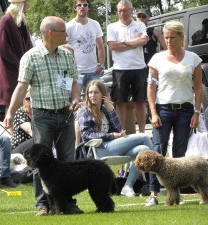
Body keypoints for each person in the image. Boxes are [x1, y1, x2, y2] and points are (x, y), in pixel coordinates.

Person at [4, 16, 81, 216]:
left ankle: (68, 203)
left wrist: (75, 99)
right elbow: (21, 87)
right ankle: (42, 205)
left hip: (65, 114)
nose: (67, 34)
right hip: (42, 117)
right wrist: (10, 113)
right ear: (50, 33)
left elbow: (73, 82)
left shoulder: (67, 55)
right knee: (40, 162)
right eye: (63, 31)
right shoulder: (30, 57)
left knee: (67, 162)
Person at [146, 20, 203, 206]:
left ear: (181, 37)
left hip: (185, 110)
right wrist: (153, 112)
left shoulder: (194, 58)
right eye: (166, 37)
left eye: (172, 37)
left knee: (180, 153)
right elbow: (150, 88)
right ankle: (153, 194)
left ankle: (176, 195)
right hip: (163, 109)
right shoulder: (156, 59)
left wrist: (196, 112)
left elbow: (198, 88)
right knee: (157, 151)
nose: (168, 41)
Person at [78, 80, 153, 197]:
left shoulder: (105, 110)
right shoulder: (84, 112)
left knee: (143, 149)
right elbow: (86, 135)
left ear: (103, 95)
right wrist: (111, 136)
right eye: (90, 93)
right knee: (144, 137)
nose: (92, 95)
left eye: (96, 92)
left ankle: (128, 186)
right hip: (98, 149)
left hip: (113, 146)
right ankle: (156, 179)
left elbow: (119, 129)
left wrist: (111, 110)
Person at [106, 0, 148, 133]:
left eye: (124, 10)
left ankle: (142, 133)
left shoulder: (140, 25)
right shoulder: (112, 27)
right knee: (120, 102)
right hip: (120, 68)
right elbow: (113, 46)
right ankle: (121, 132)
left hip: (139, 68)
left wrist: (123, 43)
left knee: (140, 102)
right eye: (119, 11)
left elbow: (144, 40)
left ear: (131, 10)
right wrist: (134, 42)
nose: (122, 13)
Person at [0, 0, 32, 114]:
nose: (28, 5)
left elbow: (28, 44)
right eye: (26, 2)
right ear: (20, 4)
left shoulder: (22, 21)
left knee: (24, 103)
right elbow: (2, 47)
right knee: (11, 103)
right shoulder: (6, 20)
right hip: (10, 72)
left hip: (22, 70)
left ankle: (19, 131)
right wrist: (18, 63)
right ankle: (11, 131)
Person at [66, 0, 105, 94]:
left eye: (85, 5)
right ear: (75, 8)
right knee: (74, 102)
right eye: (79, 5)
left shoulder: (95, 24)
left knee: (95, 103)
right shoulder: (69, 26)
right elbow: (64, 49)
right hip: (76, 73)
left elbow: (100, 46)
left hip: (93, 72)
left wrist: (102, 65)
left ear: (88, 8)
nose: (82, 7)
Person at [11, 89, 33, 155]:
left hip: (30, 150)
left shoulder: (37, 114)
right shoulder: (20, 113)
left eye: (33, 98)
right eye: (28, 99)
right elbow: (29, 129)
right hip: (16, 151)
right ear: (23, 99)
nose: (31, 101)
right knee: (37, 140)